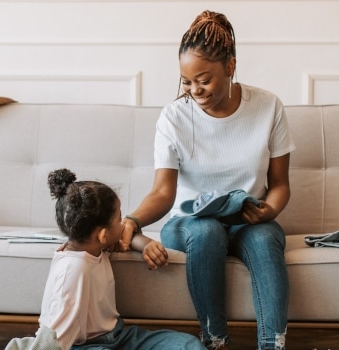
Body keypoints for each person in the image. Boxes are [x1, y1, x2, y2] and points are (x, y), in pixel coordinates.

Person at [118, 10, 296, 350]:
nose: (195, 91)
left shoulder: (268, 107)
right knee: (206, 230)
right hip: (189, 223)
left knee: (265, 239)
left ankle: (273, 345)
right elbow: (162, 191)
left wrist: (268, 211)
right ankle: (215, 343)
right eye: (187, 81)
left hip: (248, 218)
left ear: (230, 67)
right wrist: (133, 220)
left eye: (204, 80)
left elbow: (280, 185)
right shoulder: (174, 116)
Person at [39, 168, 205, 350]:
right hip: (83, 346)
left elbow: (125, 236)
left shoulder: (93, 245)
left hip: (119, 336)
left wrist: (146, 244)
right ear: (102, 235)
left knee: (188, 345)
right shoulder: (73, 270)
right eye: (119, 219)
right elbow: (54, 338)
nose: (124, 224)